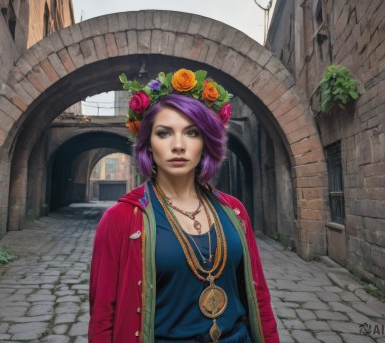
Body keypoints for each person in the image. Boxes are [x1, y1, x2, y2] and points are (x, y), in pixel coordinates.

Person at [89, 68, 279, 343]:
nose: (178, 145)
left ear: (205, 143)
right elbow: (102, 318)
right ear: (149, 145)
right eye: (164, 133)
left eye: (191, 133)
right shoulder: (120, 219)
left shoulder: (234, 211)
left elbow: (259, 296)